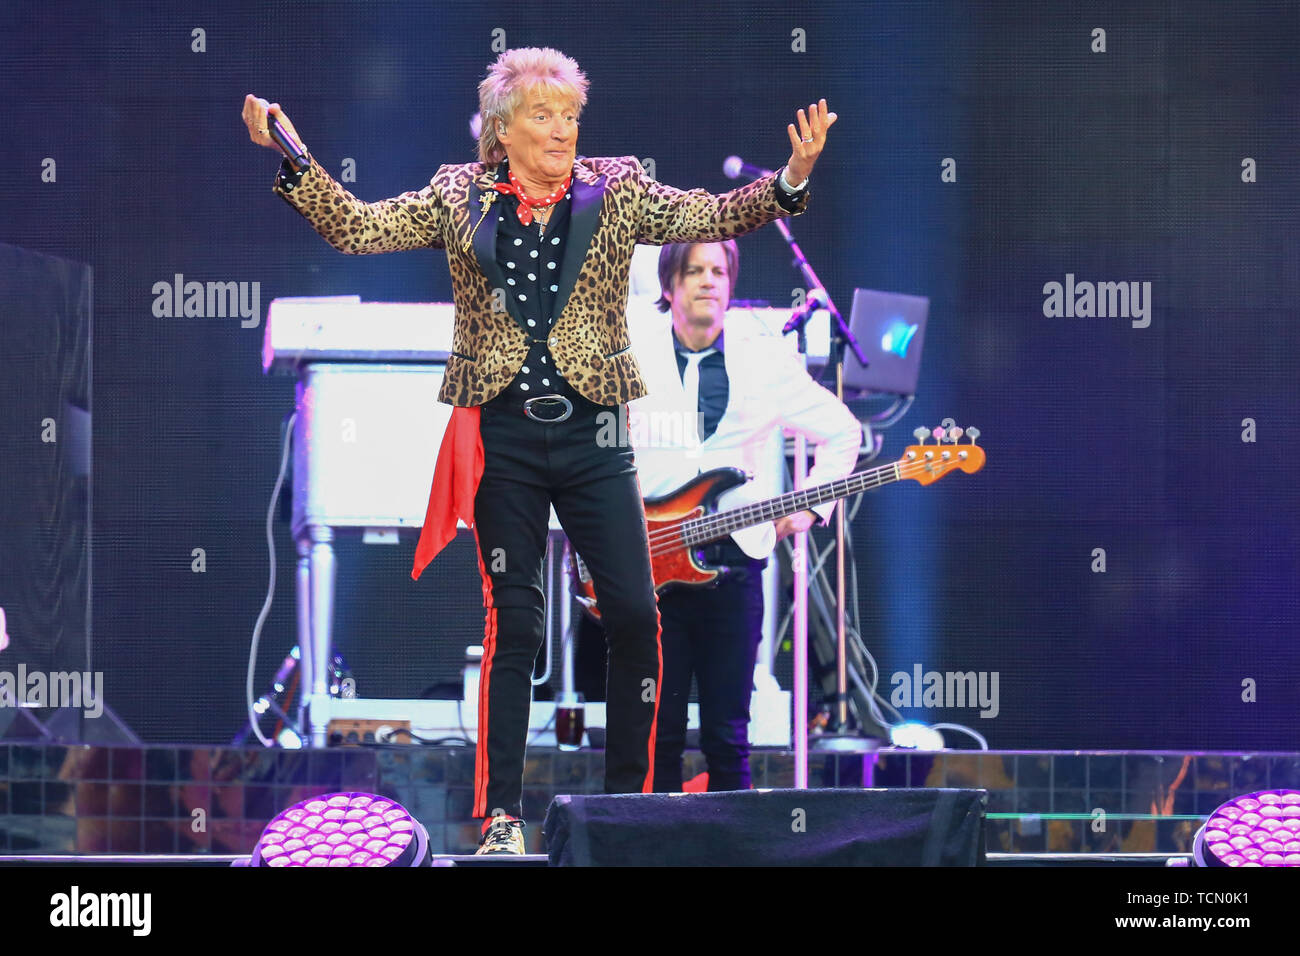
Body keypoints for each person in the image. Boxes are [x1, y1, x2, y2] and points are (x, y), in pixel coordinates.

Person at [241, 46, 836, 853]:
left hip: (594, 434)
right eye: (543, 115)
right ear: (501, 127)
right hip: (505, 434)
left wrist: (789, 180)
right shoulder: (459, 195)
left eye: (571, 117)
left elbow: (708, 213)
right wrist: (296, 159)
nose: (562, 131)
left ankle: (629, 809)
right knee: (514, 627)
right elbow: (359, 228)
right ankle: (502, 820)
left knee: (633, 612)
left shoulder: (617, 188)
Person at [622, 238, 863, 793]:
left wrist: (810, 506)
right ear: (669, 286)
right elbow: (592, 442)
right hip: (651, 564)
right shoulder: (633, 354)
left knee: (728, 735)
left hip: (733, 564)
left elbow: (841, 430)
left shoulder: (763, 359)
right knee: (655, 735)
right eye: (694, 271)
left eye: (718, 272)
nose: (709, 281)